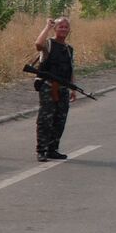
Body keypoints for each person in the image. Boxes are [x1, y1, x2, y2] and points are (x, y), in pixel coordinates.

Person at [32, 17, 76, 162]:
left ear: (69, 29)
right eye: (60, 26)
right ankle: (42, 150)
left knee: (60, 120)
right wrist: (47, 27)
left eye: (65, 27)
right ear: (56, 29)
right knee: (45, 119)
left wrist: (73, 89)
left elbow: (71, 69)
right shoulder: (49, 44)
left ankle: (53, 149)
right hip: (48, 87)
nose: (63, 29)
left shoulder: (69, 49)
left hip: (63, 88)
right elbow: (38, 44)